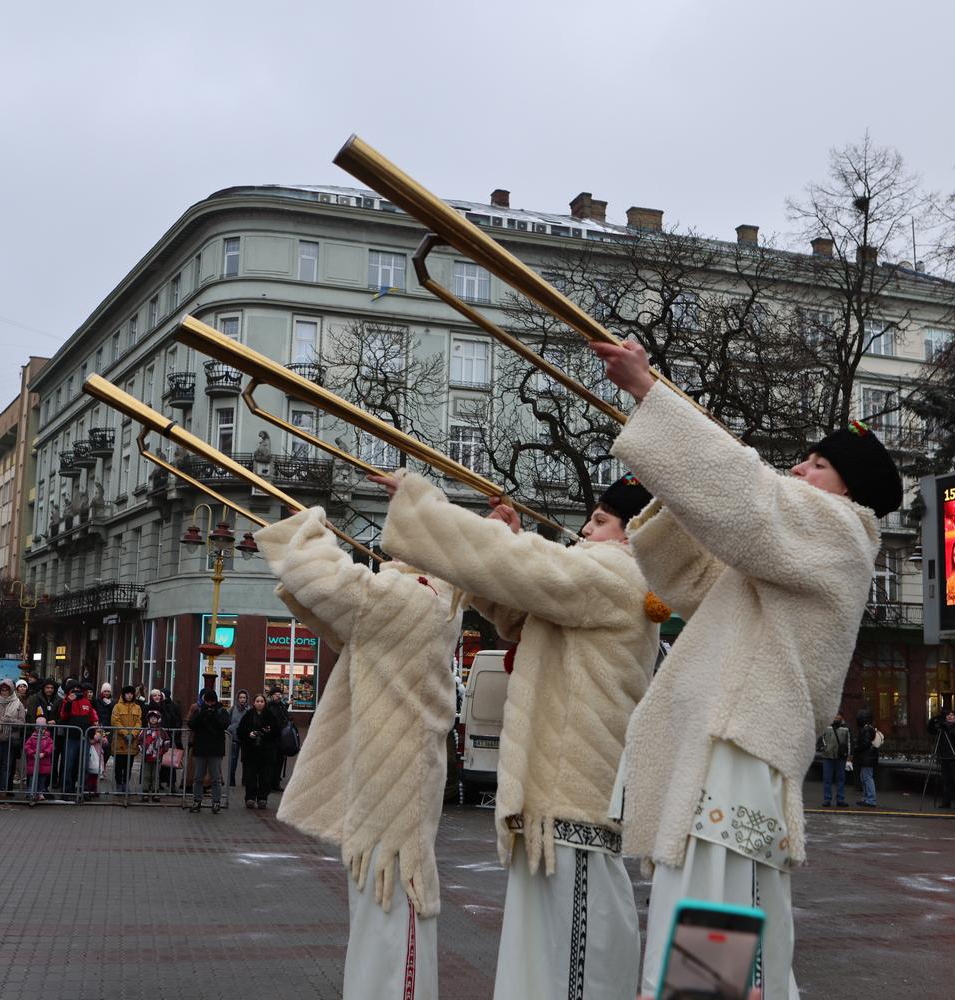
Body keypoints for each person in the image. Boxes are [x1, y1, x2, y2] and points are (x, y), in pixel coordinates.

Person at [589, 336, 902, 1000]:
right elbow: (688, 576)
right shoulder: (789, 551)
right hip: (723, 749)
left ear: (850, 489)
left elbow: (750, 499)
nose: (798, 468)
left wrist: (650, 392)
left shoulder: (840, 532)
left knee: (714, 940)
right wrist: (678, 476)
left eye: (817, 463)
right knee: (716, 931)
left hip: (740, 752)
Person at [370, 464, 659, 1000]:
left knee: (576, 963)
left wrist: (424, 503)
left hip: (573, 804)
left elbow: (528, 570)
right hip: (553, 806)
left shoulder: (622, 572)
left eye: (600, 521)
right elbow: (520, 604)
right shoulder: (596, 579)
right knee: (540, 963)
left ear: (632, 534)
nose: (585, 529)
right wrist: (507, 540)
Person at [258, 504, 463, 1000]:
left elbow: (336, 586)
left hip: (394, 790)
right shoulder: (418, 594)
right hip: (381, 785)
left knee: (392, 922)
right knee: (375, 924)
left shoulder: (418, 597)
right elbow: (341, 615)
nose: (390, 539)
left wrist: (308, 525)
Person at [186, 689, 230, 814]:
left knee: (215, 778)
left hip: (215, 749)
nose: (209, 704)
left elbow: (224, 725)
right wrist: (203, 714)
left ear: (215, 701)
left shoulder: (221, 711)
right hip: (200, 748)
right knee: (198, 777)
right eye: (207, 702)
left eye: (212, 702)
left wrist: (213, 716)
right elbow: (192, 725)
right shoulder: (199, 710)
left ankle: (216, 802)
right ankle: (196, 801)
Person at [238, 694, 277, 808]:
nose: (259, 703)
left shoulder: (270, 716)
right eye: (257, 701)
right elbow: (240, 731)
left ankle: (262, 798)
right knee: (250, 776)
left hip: (266, 752)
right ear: (254, 703)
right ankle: (250, 798)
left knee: (265, 776)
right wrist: (249, 734)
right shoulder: (248, 715)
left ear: (265, 703)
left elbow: (276, 732)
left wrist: (267, 732)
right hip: (251, 751)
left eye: (262, 701)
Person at [58, 679, 95, 796]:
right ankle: (66, 789)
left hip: (84, 737)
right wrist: (69, 702)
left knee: (84, 766)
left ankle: (82, 790)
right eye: (73, 689)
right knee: (69, 765)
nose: (76, 691)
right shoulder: (66, 701)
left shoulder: (86, 702)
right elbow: (64, 716)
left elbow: (92, 718)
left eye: (78, 689)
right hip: (71, 738)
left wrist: (92, 733)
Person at [931, 709, 955, 810]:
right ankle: (946, 802)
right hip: (944, 758)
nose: (950, 716)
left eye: (952, 715)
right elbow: (930, 730)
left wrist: (949, 729)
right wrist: (934, 719)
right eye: (948, 715)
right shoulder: (942, 728)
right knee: (946, 782)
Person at [111, 686, 142, 795]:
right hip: (120, 741)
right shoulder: (117, 707)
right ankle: (119, 783)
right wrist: (125, 733)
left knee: (129, 765)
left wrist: (133, 734)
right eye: (127, 693)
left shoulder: (137, 707)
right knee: (119, 765)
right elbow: (115, 721)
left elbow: (139, 722)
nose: (129, 695)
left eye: (131, 694)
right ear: (123, 694)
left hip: (132, 742)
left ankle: (126, 783)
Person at [818, 713, 852, 808]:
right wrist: (824, 747)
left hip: (841, 757)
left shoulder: (846, 728)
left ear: (842, 716)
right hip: (827, 756)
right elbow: (821, 738)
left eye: (839, 715)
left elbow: (849, 741)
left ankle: (840, 800)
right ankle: (827, 799)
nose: (836, 716)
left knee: (841, 779)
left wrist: (849, 755)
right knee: (827, 779)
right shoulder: (826, 726)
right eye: (835, 714)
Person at [140, 709, 171, 802]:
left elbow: (167, 742)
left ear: (158, 719)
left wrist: (162, 752)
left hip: (158, 757)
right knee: (146, 775)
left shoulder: (162, 731)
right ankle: (145, 792)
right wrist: (143, 750)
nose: (153, 719)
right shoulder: (145, 731)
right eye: (151, 718)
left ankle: (155, 792)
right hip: (147, 757)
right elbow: (139, 741)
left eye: (155, 718)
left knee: (156, 775)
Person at [24, 718, 54, 804]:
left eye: (43, 728)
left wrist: (44, 753)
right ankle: (31, 793)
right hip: (33, 763)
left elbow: (51, 747)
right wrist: (33, 753)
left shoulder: (48, 738)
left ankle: (40, 793)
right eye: (39, 728)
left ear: (46, 728)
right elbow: (27, 747)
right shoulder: (32, 738)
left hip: (44, 763)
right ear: (36, 728)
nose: (41, 730)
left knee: (42, 780)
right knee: (32, 779)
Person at [226, 689, 250, 795]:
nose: (242, 699)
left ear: (247, 699)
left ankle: (245, 779)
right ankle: (231, 779)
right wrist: (230, 728)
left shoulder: (249, 710)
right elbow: (227, 720)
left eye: (244, 698)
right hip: (234, 738)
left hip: (246, 739)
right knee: (233, 759)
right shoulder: (233, 709)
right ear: (237, 698)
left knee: (246, 760)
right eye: (240, 697)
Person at [854, 710, 879, 808]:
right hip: (867, 758)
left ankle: (871, 799)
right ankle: (866, 798)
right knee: (864, 778)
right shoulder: (869, 728)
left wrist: (857, 747)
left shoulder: (866, 729)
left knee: (867, 778)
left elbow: (865, 743)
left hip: (867, 758)